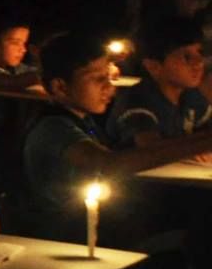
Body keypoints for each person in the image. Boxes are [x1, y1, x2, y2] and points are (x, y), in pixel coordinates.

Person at [19, 30, 212, 243]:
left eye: (109, 77)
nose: (109, 86)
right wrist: (202, 142)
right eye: (97, 79)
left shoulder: (84, 120)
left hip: (97, 224)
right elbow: (108, 164)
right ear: (60, 87)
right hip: (68, 234)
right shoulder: (53, 127)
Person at [109, 16, 211, 145]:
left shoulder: (191, 96)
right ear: (154, 66)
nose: (199, 62)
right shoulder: (137, 100)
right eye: (186, 57)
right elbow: (149, 149)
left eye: (200, 53)